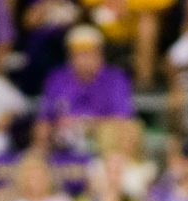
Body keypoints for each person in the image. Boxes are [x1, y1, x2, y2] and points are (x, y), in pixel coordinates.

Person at [35, 25, 134, 153]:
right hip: (62, 138)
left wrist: (84, 124)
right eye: (77, 54)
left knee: (125, 130)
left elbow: (122, 119)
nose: (83, 60)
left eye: (88, 53)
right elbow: (45, 118)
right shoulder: (57, 78)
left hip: (101, 141)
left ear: (100, 54)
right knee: (40, 131)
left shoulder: (115, 79)